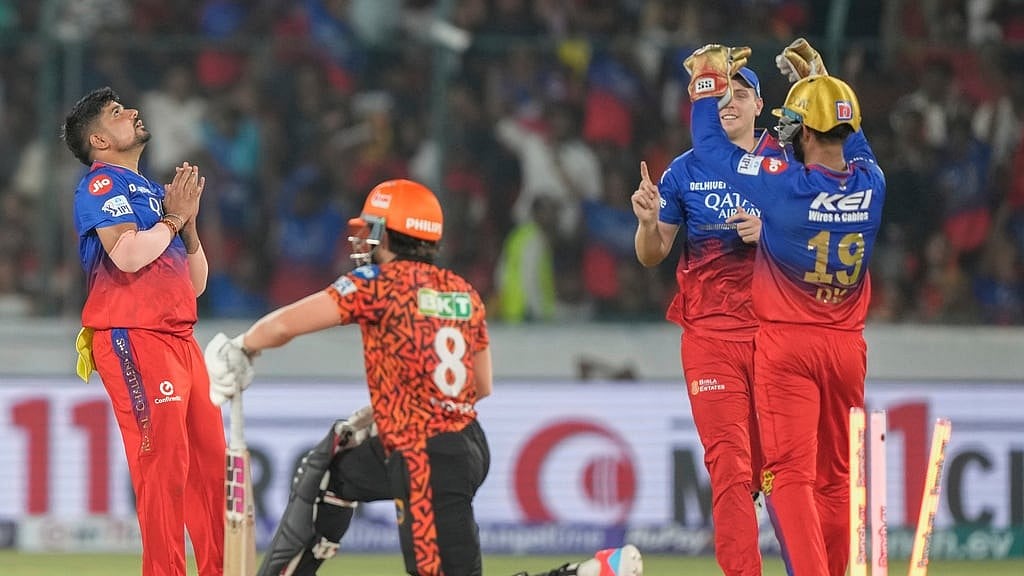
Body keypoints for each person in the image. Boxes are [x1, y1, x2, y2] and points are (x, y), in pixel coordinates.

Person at [203, 179, 643, 576]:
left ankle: (586, 575)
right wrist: (391, 405)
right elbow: (481, 385)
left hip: (424, 456)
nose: (364, 239)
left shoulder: (376, 284)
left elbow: (285, 325)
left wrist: (244, 346)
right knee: (332, 472)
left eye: (372, 228)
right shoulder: (461, 290)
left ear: (389, 233)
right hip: (459, 441)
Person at [684, 43, 886, 576]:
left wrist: (706, 80)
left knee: (787, 475)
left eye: (797, 124)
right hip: (847, 348)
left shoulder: (781, 187)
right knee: (837, 476)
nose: (788, 131)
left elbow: (709, 149)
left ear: (806, 135)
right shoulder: (873, 183)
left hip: (787, 348)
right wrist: (821, 84)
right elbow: (854, 137)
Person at [632, 64, 791, 576]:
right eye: (720, 93)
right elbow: (653, 255)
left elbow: (820, 250)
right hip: (709, 338)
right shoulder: (685, 169)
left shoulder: (786, 164)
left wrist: (771, 234)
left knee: (781, 474)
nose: (729, 103)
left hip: (776, 338)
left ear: (759, 105)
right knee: (728, 466)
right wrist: (647, 223)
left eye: (740, 94)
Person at [61, 86, 225, 576]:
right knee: (164, 469)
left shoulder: (154, 194)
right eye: (117, 113)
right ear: (99, 140)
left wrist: (188, 226)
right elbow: (128, 255)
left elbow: (195, 285)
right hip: (134, 337)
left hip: (181, 338)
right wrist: (174, 219)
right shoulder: (100, 187)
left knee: (210, 467)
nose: (132, 112)